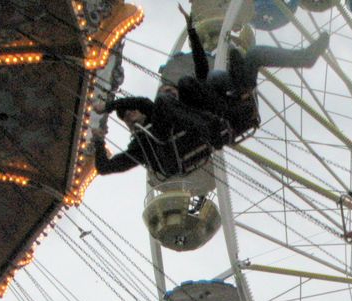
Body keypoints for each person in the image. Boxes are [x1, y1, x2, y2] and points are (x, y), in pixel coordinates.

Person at [176, 3, 329, 139]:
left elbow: (200, 61)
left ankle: (305, 58)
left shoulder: (200, 83)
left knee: (250, 54)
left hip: (237, 87)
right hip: (233, 102)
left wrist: (191, 29)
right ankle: (303, 59)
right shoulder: (196, 105)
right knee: (232, 62)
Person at [92, 84, 226, 176]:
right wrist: (99, 141)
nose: (130, 116)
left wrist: (109, 106)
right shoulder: (139, 147)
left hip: (187, 140)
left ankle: (210, 125)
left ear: (142, 112)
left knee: (167, 99)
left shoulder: (154, 114)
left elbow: (143, 103)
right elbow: (105, 167)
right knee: (163, 101)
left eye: (132, 111)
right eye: (126, 117)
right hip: (168, 158)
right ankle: (209, 127)